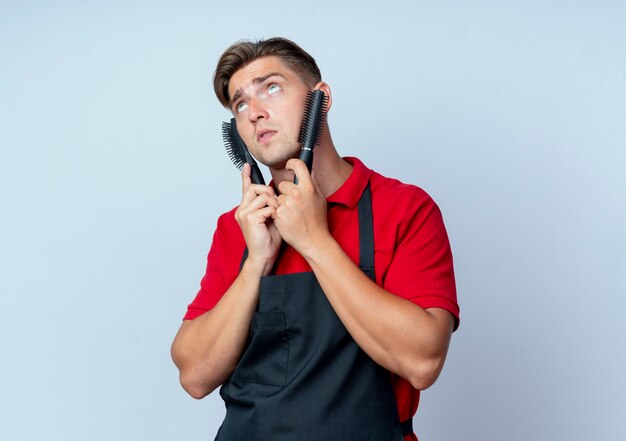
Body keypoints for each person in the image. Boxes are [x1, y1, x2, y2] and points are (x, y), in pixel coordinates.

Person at [171, 37, 460, 441]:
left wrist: (314, 240)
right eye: (240, 104)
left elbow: (422, 360)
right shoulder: (236, 227)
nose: (254, 112)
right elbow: (195, 375)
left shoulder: (405, 209)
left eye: (271, 87)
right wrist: (255, 263)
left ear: (319, 100)